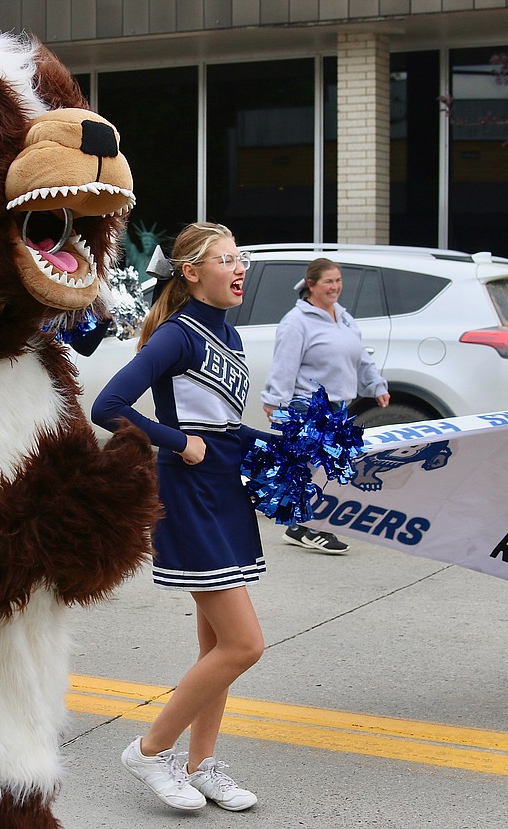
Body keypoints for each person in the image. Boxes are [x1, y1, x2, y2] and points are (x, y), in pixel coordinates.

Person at [93, 222, 264, 813]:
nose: (240, 269)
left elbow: (227, 426)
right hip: (189, 493)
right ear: (191, 273)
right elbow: (108, 406)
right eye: (226, 260)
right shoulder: (177, 336)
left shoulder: (230, 339)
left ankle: (200, 763)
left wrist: (282, 449)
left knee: (217, 645)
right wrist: (175, 441)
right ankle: (149, 750)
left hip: (226, 492)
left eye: (240, 258)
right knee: (244, 645)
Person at [260, 258, 389, 554]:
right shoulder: (297, 322)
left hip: (339, 404)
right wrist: (275, 404)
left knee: (326, 467)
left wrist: (376, 385)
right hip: (309, 406)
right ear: (311, 285)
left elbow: (360, 356)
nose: (335, 287)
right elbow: (284, 364)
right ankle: (311, 528)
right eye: (328, 281)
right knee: (323, 468)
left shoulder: (342, 316)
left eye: (338, 280)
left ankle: (301, 527)